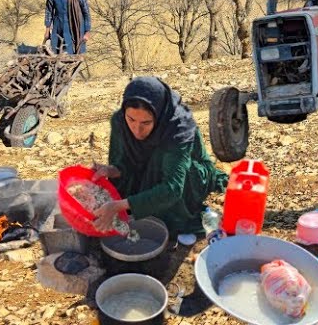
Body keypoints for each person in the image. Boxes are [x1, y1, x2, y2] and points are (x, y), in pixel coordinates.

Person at [90, 77, 229, 240]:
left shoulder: (177, 128)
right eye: (131, 120)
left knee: (159, 163)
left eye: (146, 123)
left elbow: (173, 188)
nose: (137, 130)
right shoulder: (119, 121)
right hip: (148, 170)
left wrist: (119, 206)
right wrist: (112, 170)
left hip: (188, 175)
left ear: (159, 115)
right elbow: (126, 162)